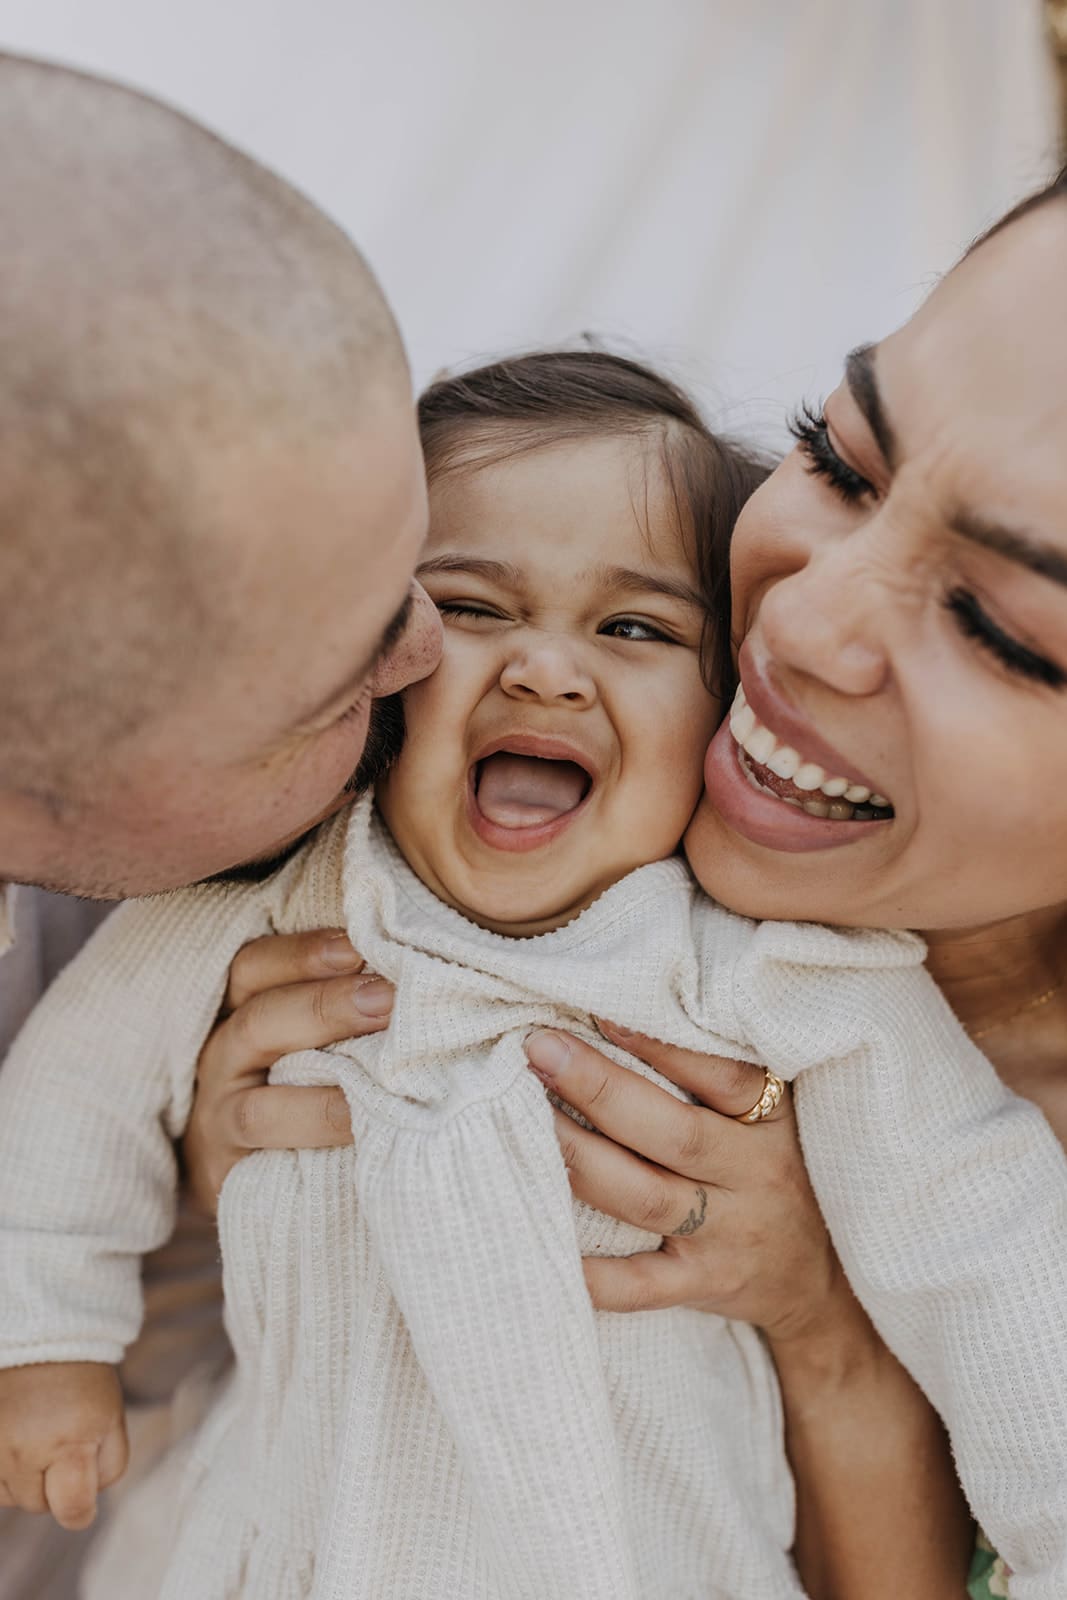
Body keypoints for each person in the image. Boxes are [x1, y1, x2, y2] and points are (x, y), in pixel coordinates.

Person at [2, 349, 1065, 1600]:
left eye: (632, 628)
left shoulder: (771, 968)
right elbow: (72, 1087)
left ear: (724, 701)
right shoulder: (287, 892)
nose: (546, 670)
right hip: (284, 1545)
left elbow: (982, 1244)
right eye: (472, 607)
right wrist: (46, 1333)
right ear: (371, 651)